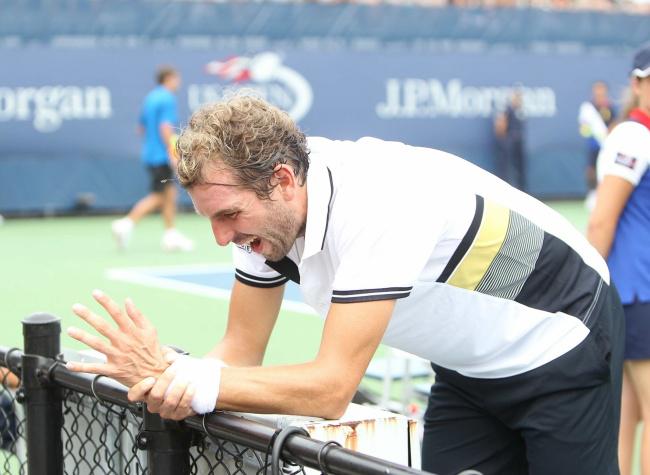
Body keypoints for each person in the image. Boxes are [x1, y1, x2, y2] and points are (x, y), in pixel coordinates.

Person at [67, 95, 624, 474]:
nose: (221, 238)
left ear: (282, 181)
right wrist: (167, 372)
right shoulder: (265, 225)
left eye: (229, 215)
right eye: (209, 219)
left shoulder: (379, 201)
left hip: (562, 343)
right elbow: (239, 351)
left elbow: (331, 388)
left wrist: (181, 380)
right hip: (468, 369)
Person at [587, 44, 650, 475]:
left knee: (630, 414)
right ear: (638, 83)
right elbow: (602, 221)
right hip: (637, 295)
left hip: (637, 296)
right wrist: (585, 296)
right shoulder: (633, 135)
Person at [111, 66, 193, 252]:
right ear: (169, 78)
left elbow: (141, 128)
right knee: (160, 196)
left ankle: (170, 235)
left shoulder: (150, 98)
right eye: (176, 79)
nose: (178, 83)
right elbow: (165, 127)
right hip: (160, 156)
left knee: (169, 194)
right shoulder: (167, 98)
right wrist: (172, 152)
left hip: (150, 154)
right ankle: (126, 224)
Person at [579, 81, 617, 209]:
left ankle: (604, 195)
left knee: (607, 170)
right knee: (590, 170)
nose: (599, 92)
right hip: (592, 145)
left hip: (606, 146)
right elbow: (583, 127)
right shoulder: (588, 108)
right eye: (597, 89)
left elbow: (614, 124)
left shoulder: (610, 107)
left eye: (602, 89)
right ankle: (592, 194)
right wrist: (587, 130)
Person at [494, 86, 527, 191]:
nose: (518, 99)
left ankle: (522, 191)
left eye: (519, 97)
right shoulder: (507, 110)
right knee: (505, 168)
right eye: (516, 97)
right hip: (509, 142)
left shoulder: (521, 111)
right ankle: (503, 191)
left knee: (520, 168)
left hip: (519, 141)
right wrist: (505, 140)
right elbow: (500, 126)